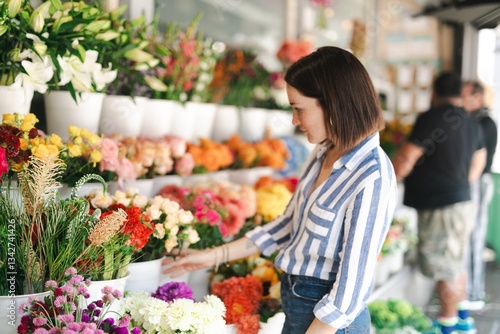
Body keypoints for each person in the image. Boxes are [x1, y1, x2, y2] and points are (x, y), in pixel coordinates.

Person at [163, 46, 398, 334]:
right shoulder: (324, 151)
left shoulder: (372, 175)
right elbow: (287, 225)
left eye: (299, 109)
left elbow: (350, 292)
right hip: (300, 309)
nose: (294, 121)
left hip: (328, 325)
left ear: (333, 103)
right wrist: (213, 256)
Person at [393, 72, 486, 334]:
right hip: (462, 202)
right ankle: (463, 318)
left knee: (445, 268)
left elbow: (407, 157)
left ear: (434, 93)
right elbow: (478, 162)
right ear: (460, 93)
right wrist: (459, 183)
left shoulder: (431, 118)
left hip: (440, 206)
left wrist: (390, 181)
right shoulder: (471, 122)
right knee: (457, 262)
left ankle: (447, 326)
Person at [461, 80, 498, 310]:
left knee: (474, 238)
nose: (460, 99)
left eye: (464, 95)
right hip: (472, 183)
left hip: (478, 183)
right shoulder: (474, 121)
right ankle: (468, 291)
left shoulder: (484, 122)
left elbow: (476, 161)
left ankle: (473, 294)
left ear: (477, 97)